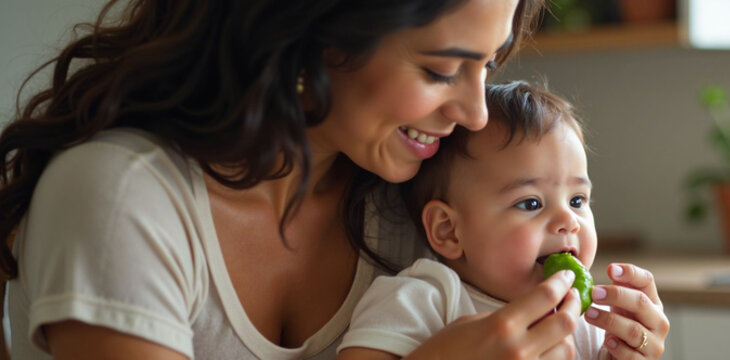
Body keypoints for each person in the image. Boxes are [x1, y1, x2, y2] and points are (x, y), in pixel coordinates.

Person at [0, 0, 672, 358]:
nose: (472, 112)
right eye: (440, 70)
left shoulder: (407, 207)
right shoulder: (124, 198)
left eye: (489, 67)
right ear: (316, 38)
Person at [336, 81, 668, 360]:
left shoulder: (589, 323)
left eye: (577, 200)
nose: (569, 220)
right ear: (448, 230)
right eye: (531, 202)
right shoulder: (420, 301)